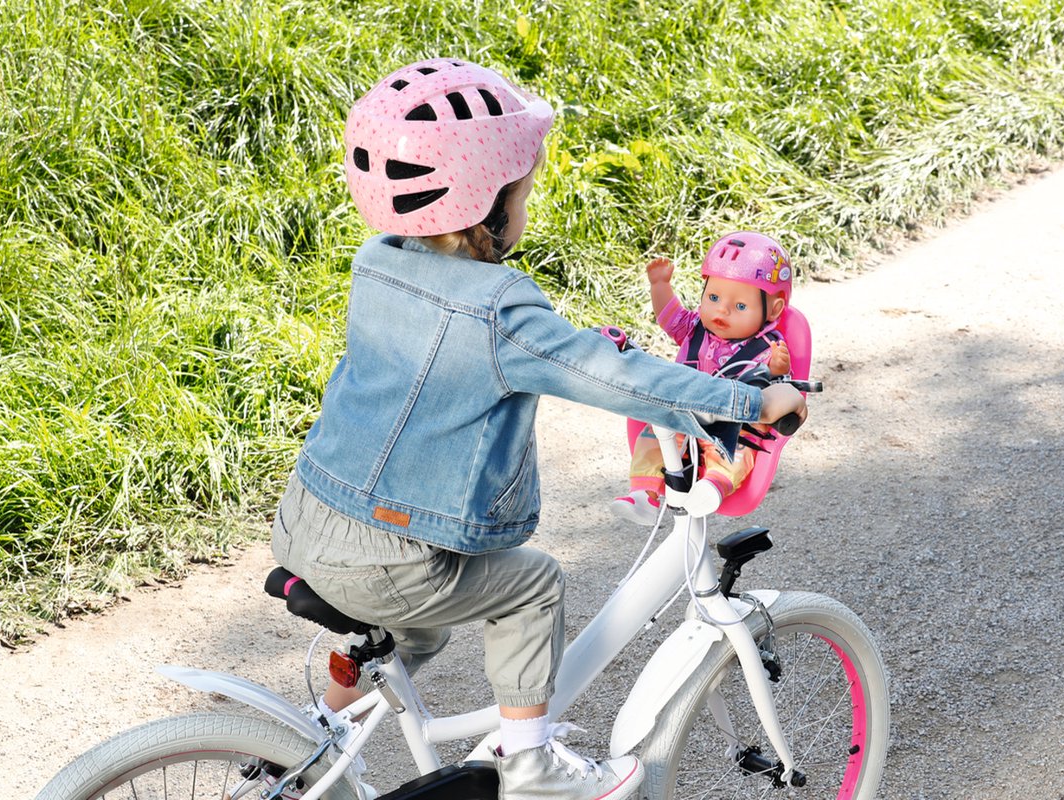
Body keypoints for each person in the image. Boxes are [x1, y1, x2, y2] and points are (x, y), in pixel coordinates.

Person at [270, 59, 807, 800]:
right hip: (390, 557)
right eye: (523, 190)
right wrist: (746, 402)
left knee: (416, 632)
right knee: (534, 585)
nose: (526, 202)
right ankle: (531, 765)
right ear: (487, 203)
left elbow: (483, 347)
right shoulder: (501, 310)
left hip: (307, 518)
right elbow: (614, 378)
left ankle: (315, 732)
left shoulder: (378, 260)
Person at [611, 232, 798, 525]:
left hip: (731, 422)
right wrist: (660, 286)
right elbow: (668, 317)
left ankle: (714, 485)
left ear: (773, 310)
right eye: (713, 297)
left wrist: (776, 369)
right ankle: (644, 493)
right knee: (653, 436)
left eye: (739, 306)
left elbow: (777, 393)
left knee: (736, 449)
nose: (721, 310)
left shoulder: (768, 346)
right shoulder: (694, 327)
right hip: (683, 413)